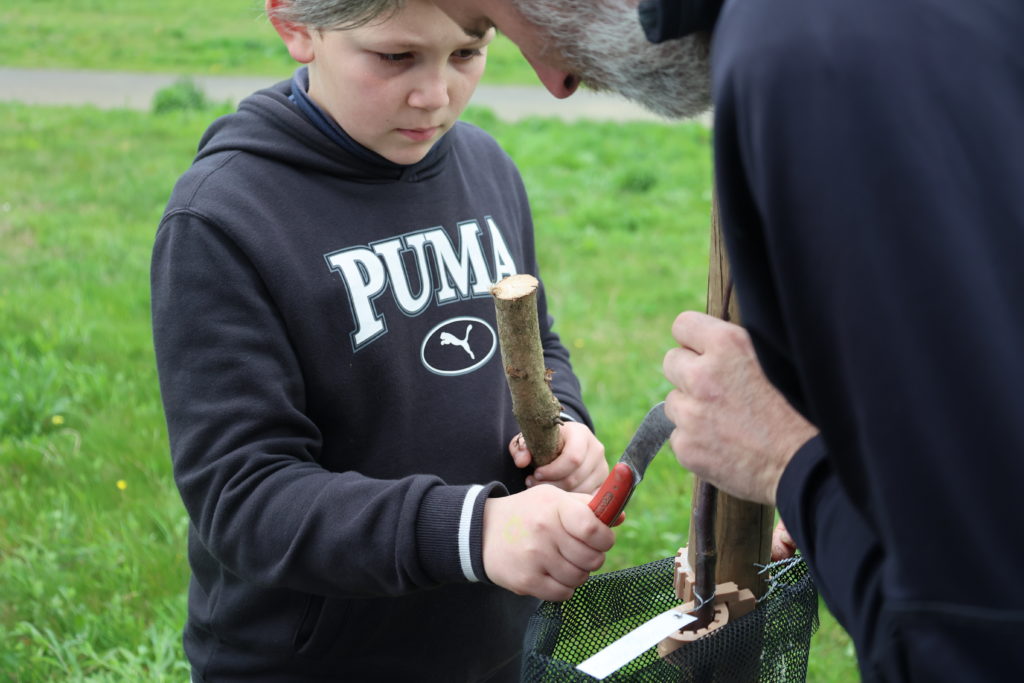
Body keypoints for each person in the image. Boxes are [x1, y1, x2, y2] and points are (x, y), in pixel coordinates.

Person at [428, 0, 1024, 680]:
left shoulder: (813, 47)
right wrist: (840, 488)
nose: (554, 80)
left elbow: (972, 633)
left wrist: (788, 461)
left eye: (505, 25)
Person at [150, 0, 616, 679]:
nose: (435, 95)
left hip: (492, 638)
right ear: (296, 27)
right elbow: (243, 494)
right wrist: (472, 529)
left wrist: (566, 429)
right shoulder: (224, 218)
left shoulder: (487, 169)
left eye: (467, 53)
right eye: (395, 57)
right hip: (315, 660)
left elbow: (537, 349)